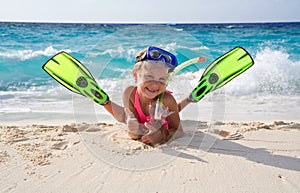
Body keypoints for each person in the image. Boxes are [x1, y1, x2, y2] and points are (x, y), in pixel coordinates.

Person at [103, 46, 183, 146]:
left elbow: (178, 131)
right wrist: (133, 129)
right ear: (135, 75)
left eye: (161, 79)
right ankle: (103, 101)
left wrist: (163, 135)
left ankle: (189, 99)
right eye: (149, 76)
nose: (155, 85)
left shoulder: (167, 100)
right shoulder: (129, 93)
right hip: (137, 116)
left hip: (162, 117)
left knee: (176, 107)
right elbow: (135, 134)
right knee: (123, 117)